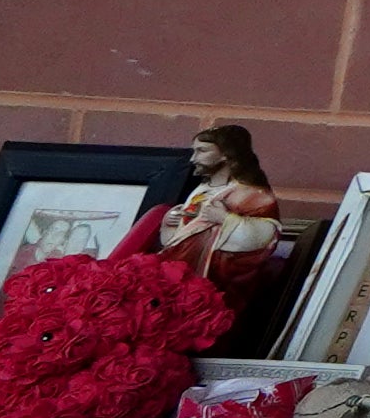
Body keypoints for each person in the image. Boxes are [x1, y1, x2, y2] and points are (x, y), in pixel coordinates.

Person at [114, 134, 282, 341]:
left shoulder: (251, 194)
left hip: (219, 282)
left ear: (225, 155)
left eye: (202, 151)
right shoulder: (202, 189)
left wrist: (227, 220)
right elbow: (185, 232)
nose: (193, 158)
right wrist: (171, 220)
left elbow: (267, 233)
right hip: (181, 279)